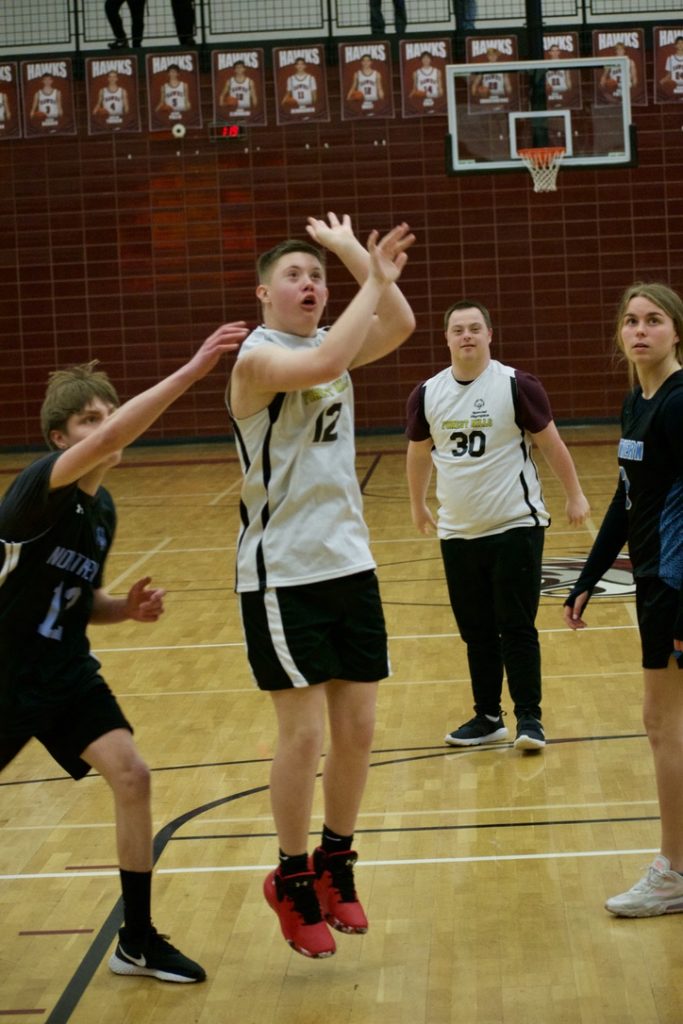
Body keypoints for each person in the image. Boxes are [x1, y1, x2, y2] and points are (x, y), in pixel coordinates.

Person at [0, 321, 248, 982]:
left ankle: (135, 939)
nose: (106, 429)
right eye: (88, 421)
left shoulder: (102, 508)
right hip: (2, 674)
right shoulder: (37, 491)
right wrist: (194, 370)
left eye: (107, 416)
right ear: (60, 440)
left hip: (61, 674)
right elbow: (116, 438)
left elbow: (80, 603)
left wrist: (124, 611)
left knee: (133, 776)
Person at [226, 213, 415, 959]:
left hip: (348, 563)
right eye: (296, 276)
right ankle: (291, 877)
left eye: (316, 276)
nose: (309, 286)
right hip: (281, 572)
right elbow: (332, 353)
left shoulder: (323, 342)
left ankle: (338, 861)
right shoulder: (258, 356)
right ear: (264, 293)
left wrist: (355, 259)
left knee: (359, 727)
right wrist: (364, 274)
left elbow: (395, 323)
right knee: (302, 734)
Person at [405, 300, 590, 751]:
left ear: (489, 334)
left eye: (474, 328)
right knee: (477, 631)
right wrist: (418, 504)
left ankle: (530, 719)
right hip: (458, 532)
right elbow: (416, 452)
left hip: (515, 525)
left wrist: (575, 493)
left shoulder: (515, 385)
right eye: (457, 330)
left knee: (516, 625)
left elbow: (551, 441)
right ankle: (487, 716)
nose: (466, 336)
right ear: (446, 339)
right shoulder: (427, 394)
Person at [564, 282, 683, 917]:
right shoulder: (637, 402)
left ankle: (674, 872)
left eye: (654, 320)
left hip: (676, 588)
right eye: (631, 321)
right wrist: (589, 574)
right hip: (653, 583)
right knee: (665, 725)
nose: (640, 330)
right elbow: (626, 496)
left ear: (676, 332)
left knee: (663, 725)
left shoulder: (679, 404)